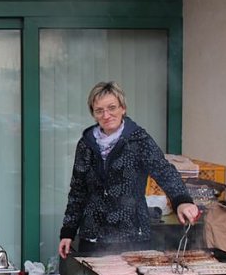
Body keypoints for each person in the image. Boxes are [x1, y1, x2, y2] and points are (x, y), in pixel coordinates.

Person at [58, 81, 199, 259]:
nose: (106, 115)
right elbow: (78, 191)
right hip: (93, 236)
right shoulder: (86, 144)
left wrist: (182, 200)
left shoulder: (138, 140)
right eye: (99, 110)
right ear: (93, 114)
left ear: (123, 108)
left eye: (112, 108)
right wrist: (68, 232)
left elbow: (164, 170)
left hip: (133, 235)